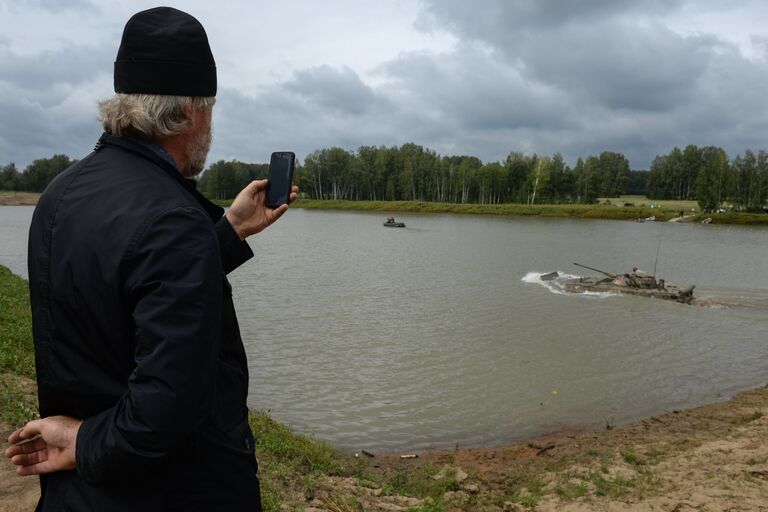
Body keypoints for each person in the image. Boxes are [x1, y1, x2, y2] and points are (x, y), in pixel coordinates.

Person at [4, 7, 296, 511]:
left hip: (79, 496)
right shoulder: (170, 218)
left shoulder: (59, 194)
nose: (209, 123)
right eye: (210, 108)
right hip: (165, 491)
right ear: (189, 110)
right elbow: (166, 406)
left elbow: (126, 289)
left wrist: (226, 233)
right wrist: (84, 442)